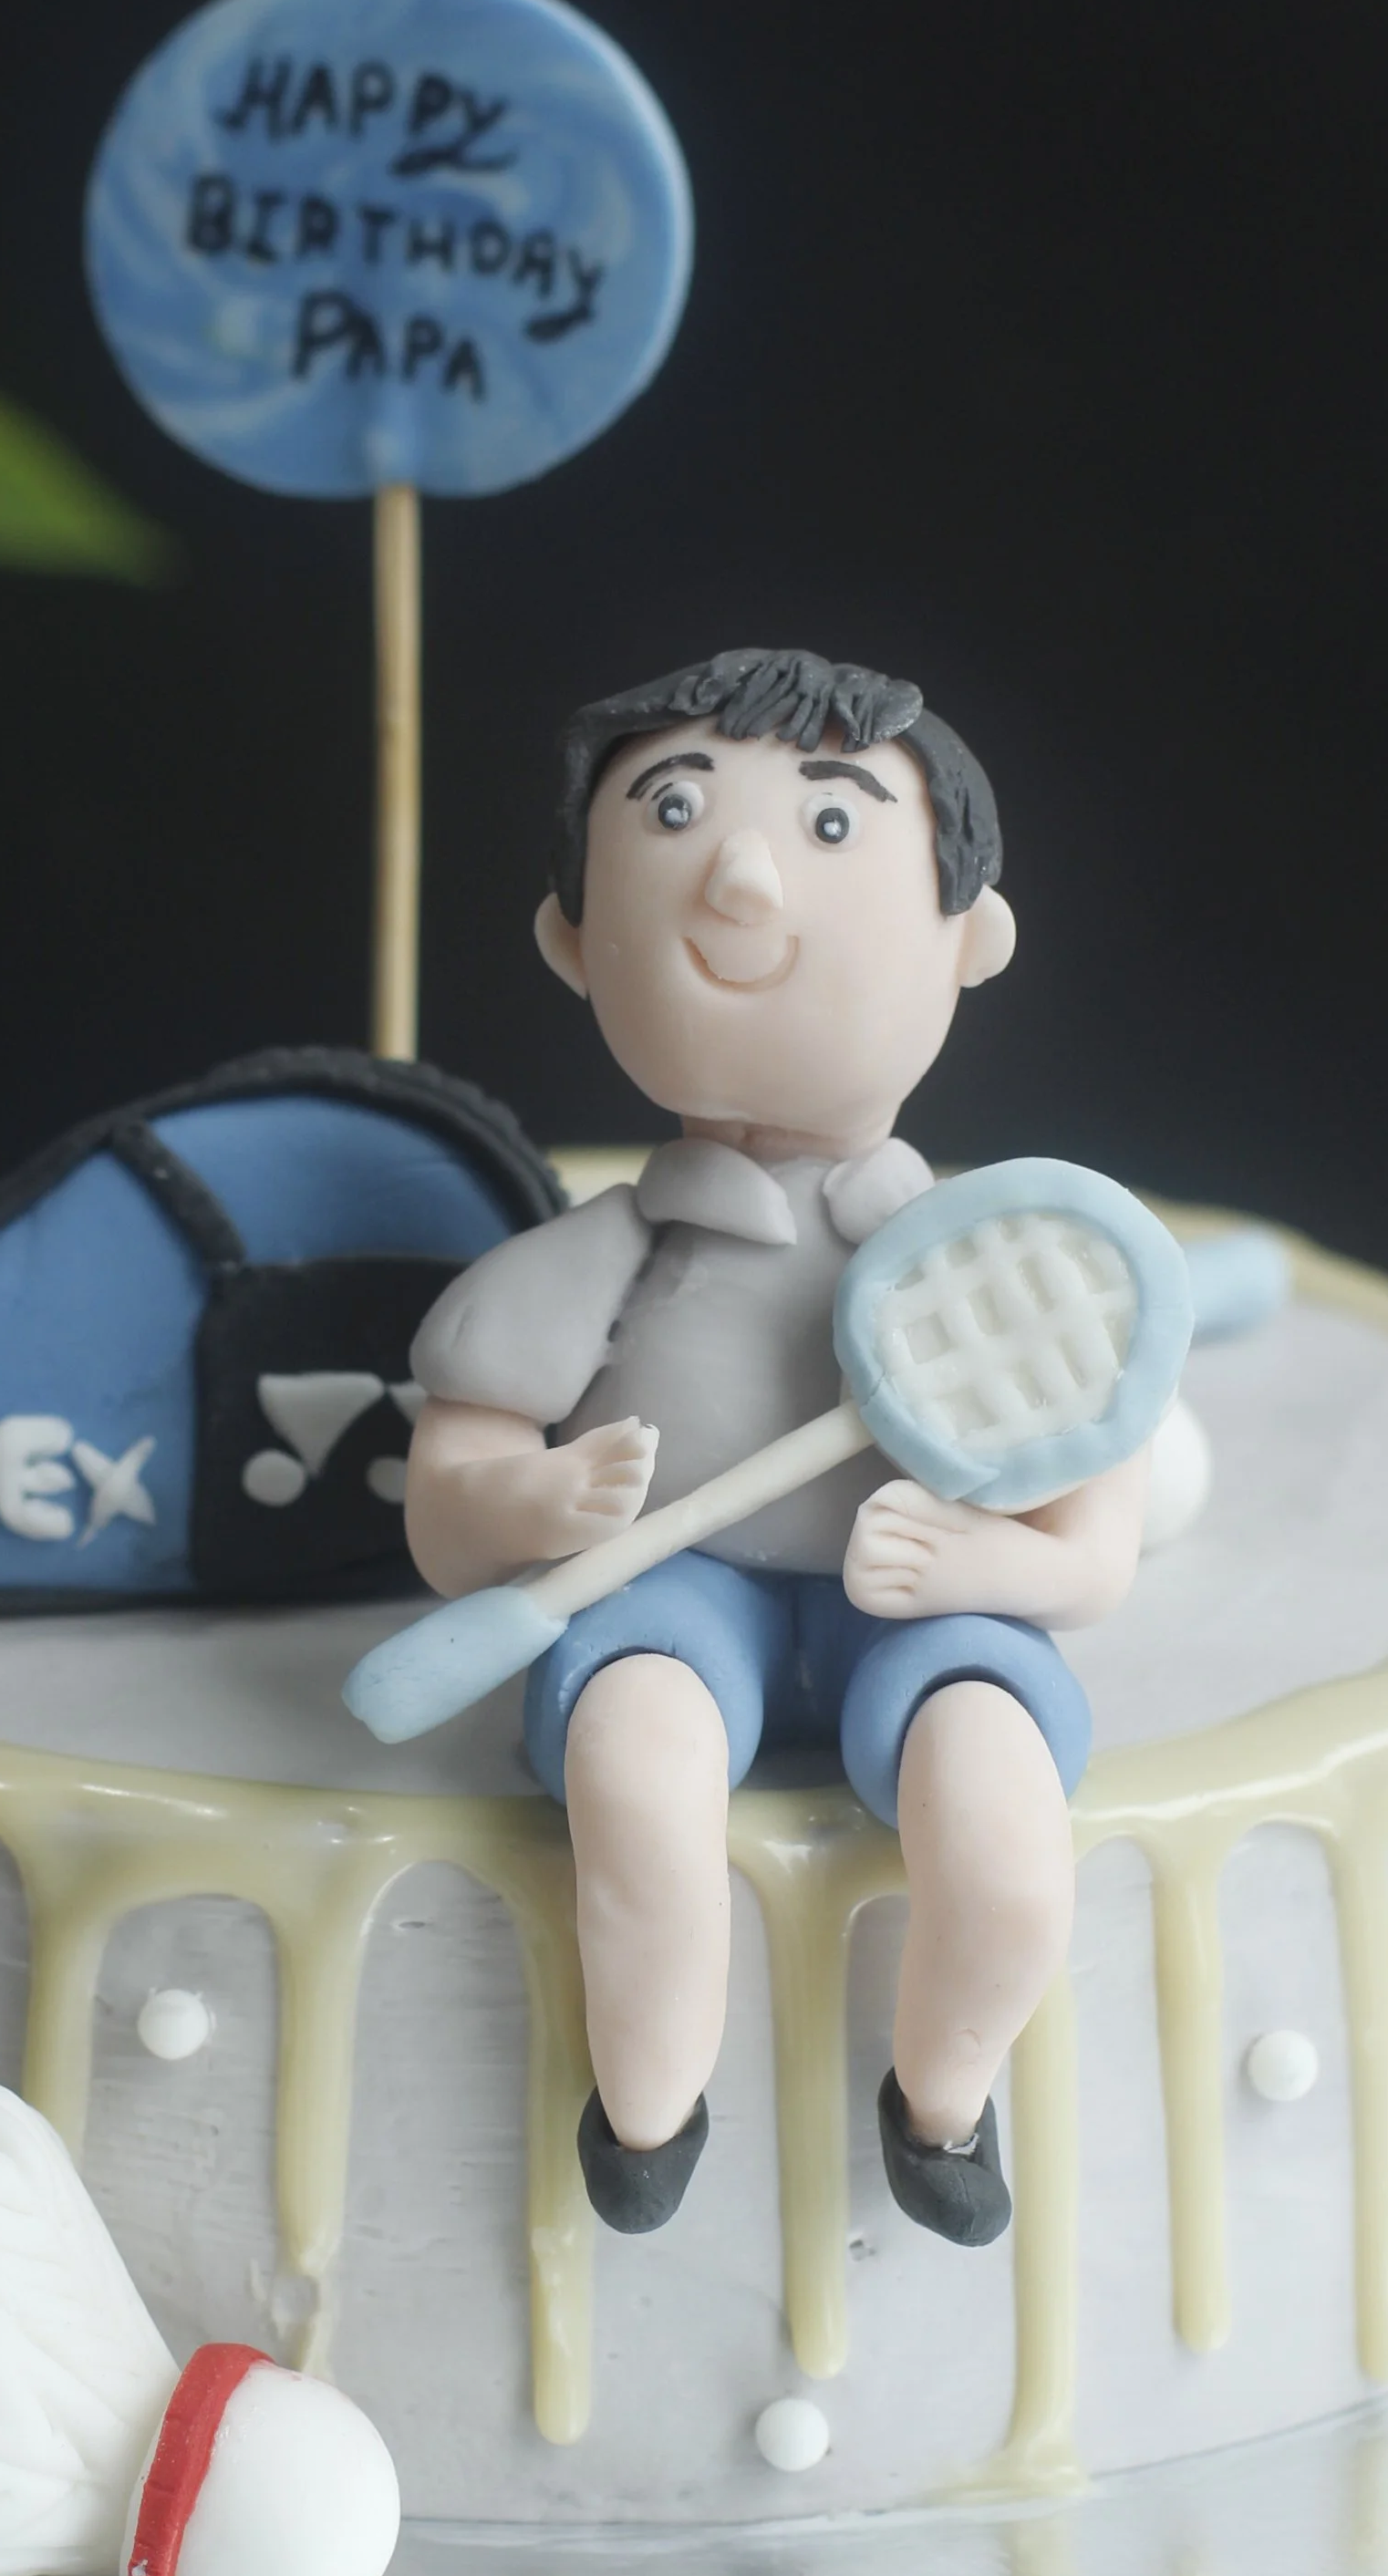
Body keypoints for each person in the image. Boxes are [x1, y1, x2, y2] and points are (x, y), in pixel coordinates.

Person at [403, 648, 1147, 2244]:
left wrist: (989, 1559)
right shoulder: (608, 1257)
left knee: (1005, 1822)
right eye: (674, 813)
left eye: (830, 825)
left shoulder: (1003, 1266)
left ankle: (944, 2093)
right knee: (635, 1767)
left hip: (920, 1611)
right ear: (575, 943)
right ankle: (647, 2098)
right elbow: (447, 1510)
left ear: (974, 937)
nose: (740, 876)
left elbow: (1099, 1543)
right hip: (676, 1589)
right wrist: (531, 1500)